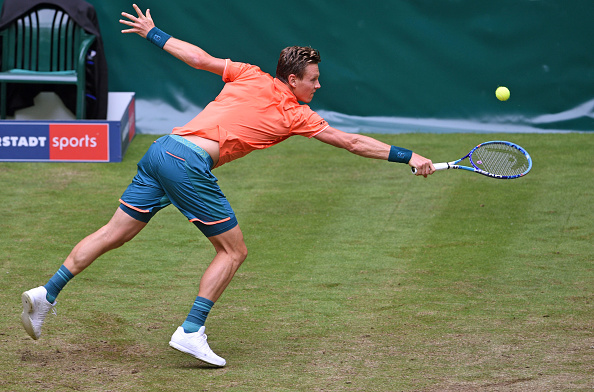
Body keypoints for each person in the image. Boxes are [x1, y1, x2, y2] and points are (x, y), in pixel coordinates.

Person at [20, 4, 435, 367]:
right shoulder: (297, 116)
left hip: (162, 149)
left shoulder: (250, 75)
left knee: (115, 232)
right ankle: (190, 330)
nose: (318, 85)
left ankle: (46, 292)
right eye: (313, 79)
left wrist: (154, 34)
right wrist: (408, 156)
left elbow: (199, 58)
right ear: (293, 80)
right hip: (188, 165)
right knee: (233, 250)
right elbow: (353, 142)